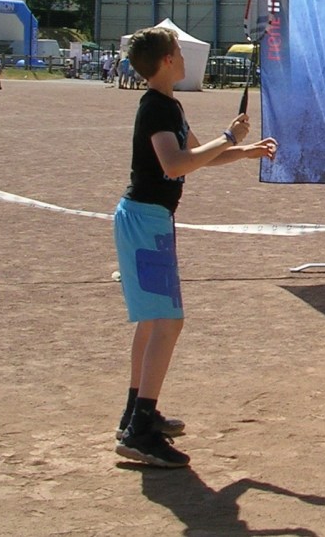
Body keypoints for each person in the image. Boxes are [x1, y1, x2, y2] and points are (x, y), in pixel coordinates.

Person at [113, 26, 278, 469]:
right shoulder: (156, 107)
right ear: (168, 61)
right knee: (168, 322)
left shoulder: (168, 105)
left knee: (153, 322)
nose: (185, 58)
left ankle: (136, 413)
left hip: (148, 220)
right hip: (146, 221)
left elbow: (196, 155)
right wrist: (228, 137)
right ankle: (140, 430)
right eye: (179, 52)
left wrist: (242, 150)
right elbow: (174, 164)